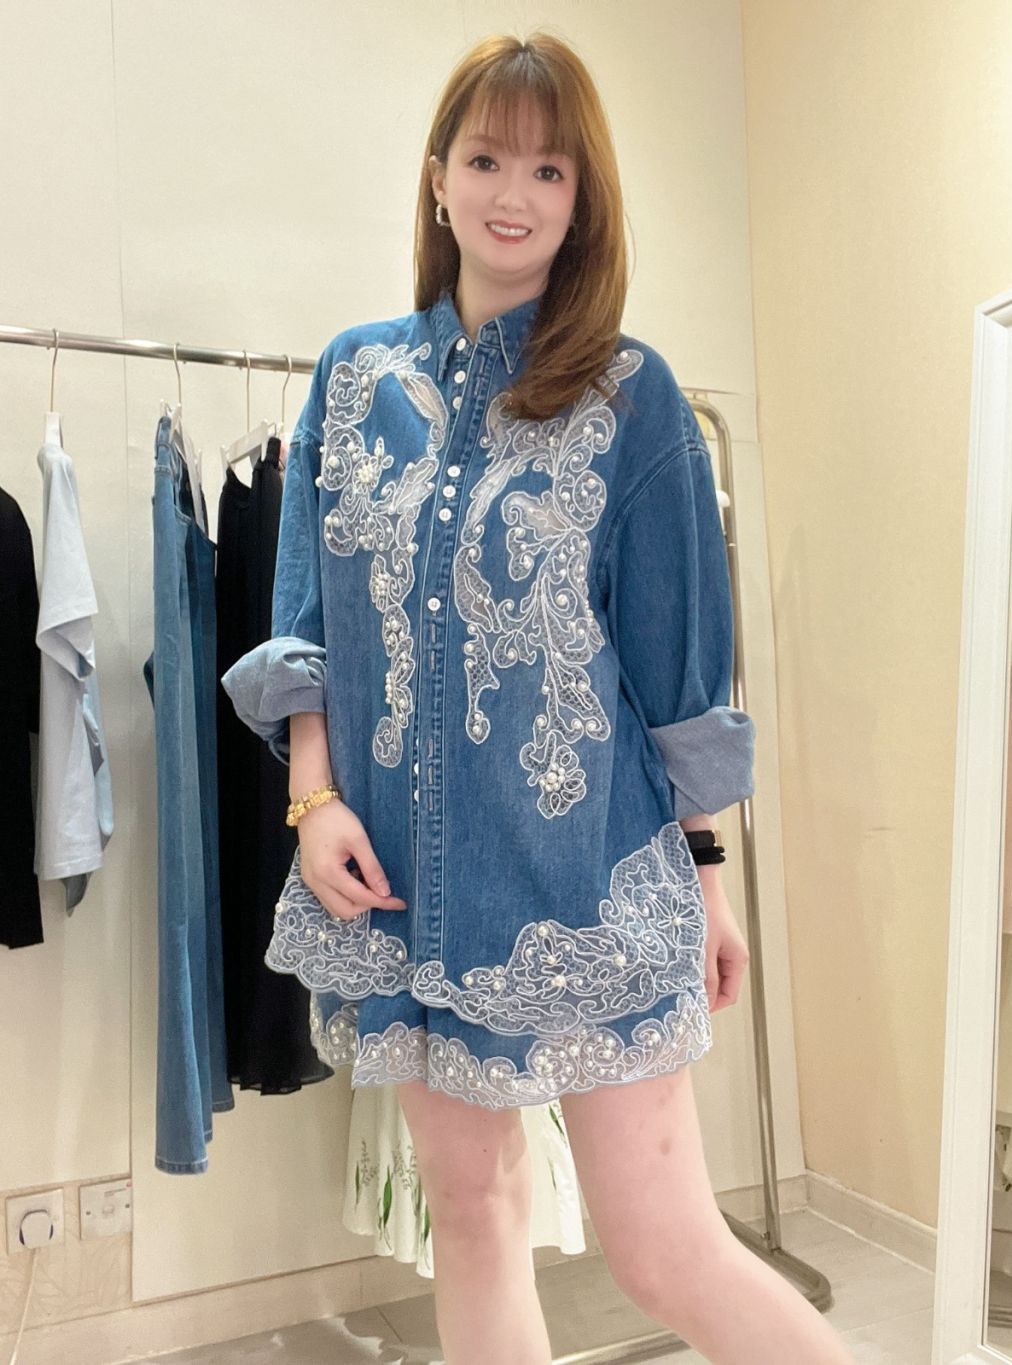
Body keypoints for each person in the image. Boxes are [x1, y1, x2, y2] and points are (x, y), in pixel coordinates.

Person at [222, 28, 855, 1365]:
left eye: (549, 170)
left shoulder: (634, 396)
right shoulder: (354, 379)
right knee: (472, 1214)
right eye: (487, 158)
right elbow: (307, 625)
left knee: (665, 1249)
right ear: (438, 176)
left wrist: (708, 882)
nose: (513, 193)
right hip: (402, 891)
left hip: (588, 886)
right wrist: (314, 800)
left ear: (582, 200)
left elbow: (678, 678)